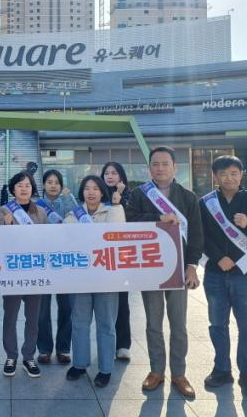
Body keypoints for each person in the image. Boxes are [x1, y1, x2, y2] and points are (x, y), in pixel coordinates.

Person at [125, 146, 204, 399]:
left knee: (178, 323)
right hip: (150, 267)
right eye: (155, 164)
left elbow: (197, 234)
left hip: (178, 269)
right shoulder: (139, 194)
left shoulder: (188, 197)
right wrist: (158, 216)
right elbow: (129, 221)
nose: (160, 168)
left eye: (165, 163)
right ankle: (156, 371)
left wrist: (192, 265)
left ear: (174, 167)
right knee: (153, 323)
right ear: (149, 168)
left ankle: (179, 374)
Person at [200, 155, 247, 399]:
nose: (228, 178)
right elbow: (201, 236)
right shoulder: (206, 203)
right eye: (223, 173)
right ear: (215, 176)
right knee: (217, 325)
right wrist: (218, 257)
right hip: (215, 274)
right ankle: (222, 370)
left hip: (246, 275)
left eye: (233, 173)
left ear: (241, 174)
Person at [65, 175, 126, 387]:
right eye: (87, 188)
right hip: (80, 278)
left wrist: (116, 205)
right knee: (79, 322)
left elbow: (117, 232)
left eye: (95, 188)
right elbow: (66, 238)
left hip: (106, 278)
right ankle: (80, 364)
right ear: (82, 192)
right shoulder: (73, 215)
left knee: (106, 323)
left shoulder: (112, 211)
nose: (91, 192)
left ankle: (106, 368)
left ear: (102, 192)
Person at [0, 171, 48, 378]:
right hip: (12, 272)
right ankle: (11, 356)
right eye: (19, 185)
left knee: (33, 319)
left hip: (34, 271)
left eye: (27, 185)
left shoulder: (41, 212)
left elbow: (47, 240)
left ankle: (28, 356)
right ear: (13, 189)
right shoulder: (5, 210)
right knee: (10, 316)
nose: (24, 188)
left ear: (32, 188)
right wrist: (7, 225)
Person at [34, 169, 75, 365]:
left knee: (67, 307)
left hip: (64, 261)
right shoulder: (35, 205)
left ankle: (63, 348)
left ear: (61, 185)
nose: (53, 185)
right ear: (43, 185)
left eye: (56, 182)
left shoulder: (68, 201)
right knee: (42, 310)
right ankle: (44, 349)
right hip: (42, 261)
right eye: (49, 182)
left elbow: (76, 220)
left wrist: (68, 198)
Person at [100, 162, 133, 361]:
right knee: (103, 305)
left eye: (114, 173)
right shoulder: (98, 196)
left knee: (121, 302)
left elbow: (130, 222)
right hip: (100, 258)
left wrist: (118, 200)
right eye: (107, 173)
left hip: (121, 258)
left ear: (121, 176)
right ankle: (107, 344)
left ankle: (123, 344)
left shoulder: (130, 197)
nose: (110, 176)